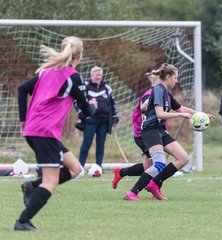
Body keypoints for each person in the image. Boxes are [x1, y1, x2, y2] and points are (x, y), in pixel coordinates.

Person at [15, 36, 98, 231]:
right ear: (80, 55)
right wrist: (93, 106)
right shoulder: (72, 77)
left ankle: (32, 187)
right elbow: (86, 111)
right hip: (45, 132)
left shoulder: (46, 72)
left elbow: (22, 89)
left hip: (35, 130)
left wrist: (23, 120)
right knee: (50, 182)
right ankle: (23, 221)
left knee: (76, 169)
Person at [123, 63, 214, 201]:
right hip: (150, 130)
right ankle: (132, 193)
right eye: (175, 78)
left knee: (183, 158)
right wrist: (180, 116)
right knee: (159, 164)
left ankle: (154, 184)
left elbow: (180, 108)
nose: (176, 81)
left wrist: (200, 114)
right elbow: (160, 114)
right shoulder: (158, 90)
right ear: (168, 77)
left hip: (159, 130)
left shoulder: (166, 92)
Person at [112, 70, 182, 200]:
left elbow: (175, 109)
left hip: (156, 131)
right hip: (144, 133)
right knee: (157, 165)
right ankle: (145, 189)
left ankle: (123, 174)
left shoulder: (163, 93)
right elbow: (147, 114)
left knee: (151, 166)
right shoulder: (151, 94)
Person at [75, 66, 119, 169]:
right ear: (91, 75)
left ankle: (98, 167)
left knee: (100, 144)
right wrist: (81, 112)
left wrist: (114, 118)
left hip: (103, 121)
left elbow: (113, 104)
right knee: (87, 143)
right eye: (96, 75)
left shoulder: (107, 88)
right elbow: (77, 101)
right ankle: (80, 167)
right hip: (90, 120)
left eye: (100, 75)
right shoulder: (85, 86)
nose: (98, 77)